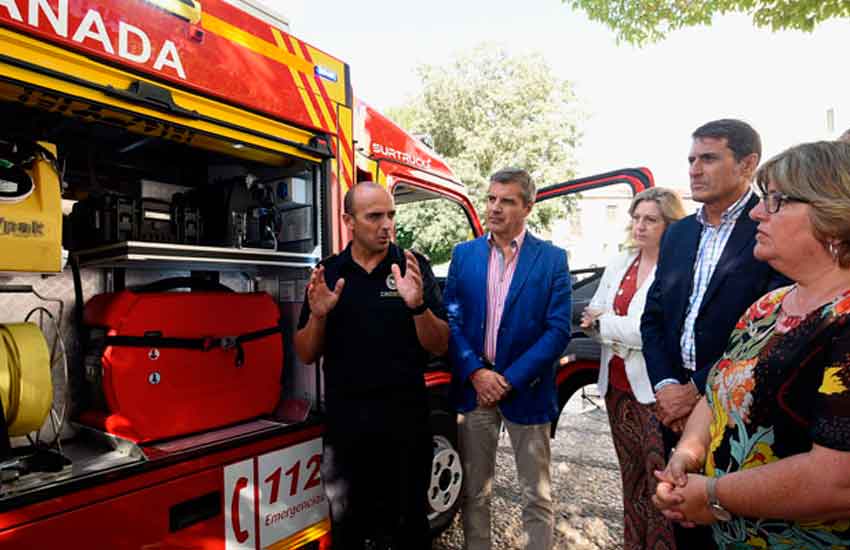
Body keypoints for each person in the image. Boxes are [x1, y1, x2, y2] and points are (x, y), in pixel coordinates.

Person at [652, 140, 850, 549]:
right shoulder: (768, 306)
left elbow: (837, 482)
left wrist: (712, 496)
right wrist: (686, 457)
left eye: (776, 201)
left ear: (832, 215)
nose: (757, 211)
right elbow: (718, 391)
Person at [641, 119, 789, 549]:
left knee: (733, 526)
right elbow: (654, 318)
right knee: (681, 517)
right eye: (691, 159)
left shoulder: (770, 227)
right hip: (674, 411)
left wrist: (698, 390)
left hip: (741, 409)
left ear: (747, 164)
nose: (694, 169)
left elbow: (773, 326)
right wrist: (668, 386)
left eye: (708, 158)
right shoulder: (680, 233)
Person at [293, 181, 449, 550]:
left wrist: (417, 305)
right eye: (374, 216)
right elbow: (305, 352)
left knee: (409, 527)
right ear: (348, 220)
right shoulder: (329, 272)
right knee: (348, 530)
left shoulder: (412, 267)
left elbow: (440, 343)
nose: (387, 225)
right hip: (348, 431)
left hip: (406, 425)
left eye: (391, 215)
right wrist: (318, 316)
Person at [444, 167, 572, 550]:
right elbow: (451, 320)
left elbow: (557, 331)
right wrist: (476, 372)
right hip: (474, 391)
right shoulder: (463, 255)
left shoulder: (551, 259)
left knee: (537, 496)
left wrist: (508, 379)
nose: (495, 208)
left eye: (507, 201)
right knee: (475, 492)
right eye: (491, 198)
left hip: (527, 391)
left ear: (528, 207)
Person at [580, 187, 686, 550]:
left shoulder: (677, 268)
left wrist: (606, 324)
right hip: (617, 388)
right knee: (631, 480)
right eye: (636, 218)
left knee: (662, 482)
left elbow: (648, 330)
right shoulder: (621, 261)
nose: (640, 226)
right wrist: (611, 324)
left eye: (650, 219)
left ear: (669, 224)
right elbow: (591, 314)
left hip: (656, 392)